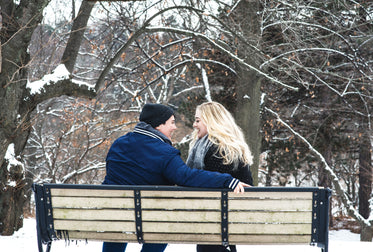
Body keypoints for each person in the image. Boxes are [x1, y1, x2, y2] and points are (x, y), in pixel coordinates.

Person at [102, 103, 249, 252]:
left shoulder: (118, 144)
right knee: (162, 225)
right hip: (151, 220)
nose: (175, 127)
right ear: (159, 125)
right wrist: (226, 179)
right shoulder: (164, 152)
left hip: (114, 215)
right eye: (172, 122)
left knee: (118, 225)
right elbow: (186, 177)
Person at [186, 101, 254, 252]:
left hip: (217, 221)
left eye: (198, 120)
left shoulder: (217, 149)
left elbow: (204, 184)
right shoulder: (228, 146)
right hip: (229, 220)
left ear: (212, 121)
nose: (194, 125)